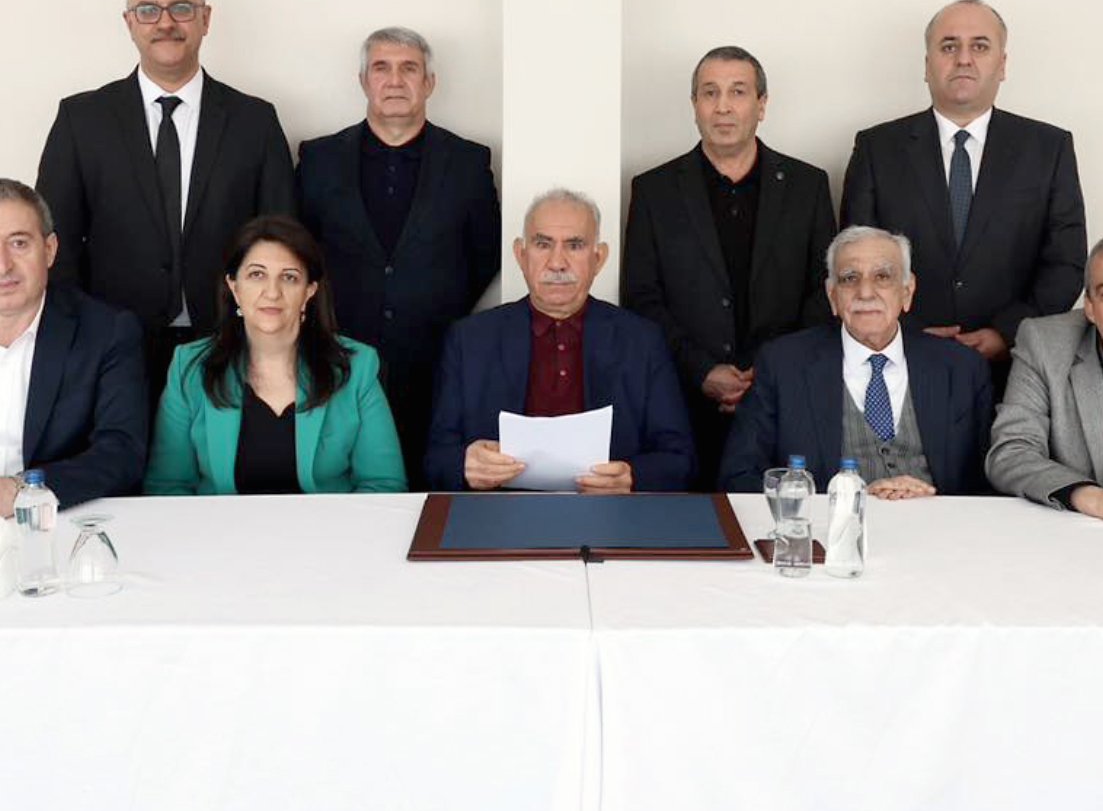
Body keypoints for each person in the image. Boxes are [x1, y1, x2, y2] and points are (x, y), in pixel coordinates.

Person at [36, 0, 295, 404]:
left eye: (181, 8)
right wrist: (75, 335)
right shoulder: (82, 120)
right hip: (111, 345)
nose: (166, 22)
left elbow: (280, 237)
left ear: (206, 19)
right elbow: (54, 242)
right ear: (129, 23)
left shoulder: (255, 121)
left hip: (229, 341)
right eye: (149, 10)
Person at [840, 0, 1086, 392]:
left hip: (1017, 370)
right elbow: (854, 259)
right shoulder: (877, 148)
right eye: (949, 46)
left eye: (980, 46)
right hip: (902, 363)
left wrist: (1006, 333)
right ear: (927, 65)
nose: (964, 59)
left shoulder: (1048, 148)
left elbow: (1066, 262)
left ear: (1002, 65)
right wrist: (906, 330)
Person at [622, 45, 835, 487]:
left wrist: (767, 369)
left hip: (782, 396)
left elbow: (824, 291)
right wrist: (702, 371)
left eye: (738, 92)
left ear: (762, 104)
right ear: (694, 105)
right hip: (683, 401)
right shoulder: (654, 190)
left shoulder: (808, 186)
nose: (723, 106)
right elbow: (641, 298)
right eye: (709, 92)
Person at [297, 26, 501, 487]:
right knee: (341, 481)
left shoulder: (468, 161)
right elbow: (300, 251)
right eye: (381, 68)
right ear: (362, 81)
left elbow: (484, 253)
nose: (394, 80)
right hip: (337, 356)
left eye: (409, 68)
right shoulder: (318, 159)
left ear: (429, 83)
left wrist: (432, 304)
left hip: (433, 359)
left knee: (427, 482)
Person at [424, 189, 695, 492]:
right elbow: (436, 459)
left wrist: (632, 477)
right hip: (496, 510)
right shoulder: (469, 340)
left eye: (575, 245)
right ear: (521, 255)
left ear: (599, 258)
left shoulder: (642, 341)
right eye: (543, 244)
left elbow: (680, 459)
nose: (557, 263)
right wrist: (464, 465)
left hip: (610, 510)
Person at [719, 226, 992, 496]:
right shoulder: (782, 364)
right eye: (850, 278)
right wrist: (846, 500)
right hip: (831, 524)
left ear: (907, 291)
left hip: (937, 522)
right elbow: (739, 476)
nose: (865, 293)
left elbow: (989, 485)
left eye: (882, 276)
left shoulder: (963, 368)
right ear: (832, 295)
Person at [145, 215, 405, 496]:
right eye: (257, 275)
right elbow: (167, 488)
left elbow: (384, 485)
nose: (272, 292)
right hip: (221, 526)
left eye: (289, 278)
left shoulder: (356, 367)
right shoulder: (190, 368)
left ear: (309, 291)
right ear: (234, 287)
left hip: (327, 526)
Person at [0, 179, 147, 515]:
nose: (3, 265)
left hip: (58, 523)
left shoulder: (107, 332)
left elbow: (122, 452)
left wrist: (21, 491)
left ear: (50, 249)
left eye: (19, 243)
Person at [987, 232, 1103, 521]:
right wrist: (1096, 500)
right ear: (1089, 307)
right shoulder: (1045, 343)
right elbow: (1011, 452)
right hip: (1078, 533)